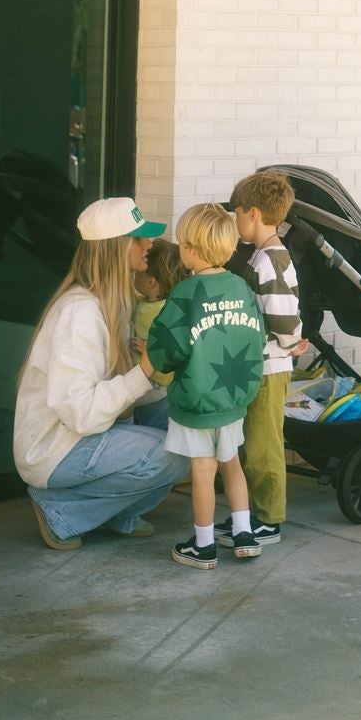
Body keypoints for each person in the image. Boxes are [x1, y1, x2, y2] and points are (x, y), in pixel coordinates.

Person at [13, 197, 181, 552]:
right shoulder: (80, 312)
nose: (148, 245)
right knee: (177, 452)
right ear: (115, 248)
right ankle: (59, 509)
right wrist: (146, 370)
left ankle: (117, 514)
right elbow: (80, 412)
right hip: (57, 448)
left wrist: (174, 387)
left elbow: (121, 390)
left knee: (196, 419)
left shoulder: (116, 300)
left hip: (97, 428)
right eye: (138, 239)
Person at [145, 203, 267, 570]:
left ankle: (203, 545)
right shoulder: (242, 288)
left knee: (202, 469)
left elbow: (166, 345)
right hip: (233, 397)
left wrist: (151, 364)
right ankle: (244, 533)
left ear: (193, 250)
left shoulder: (186, 293)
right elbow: (257, 336)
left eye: (182, 243)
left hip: (197, 401)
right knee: (231, 464)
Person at [223, 168, 301, 548]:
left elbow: (284, 313)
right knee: (252, 441)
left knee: (263, 444)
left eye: (236, 212)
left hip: (270, 365)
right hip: (262, 364)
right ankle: (249, 514)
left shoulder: (269, 259)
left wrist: (291, 342)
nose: (234, 220)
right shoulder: (264, 255)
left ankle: (269, 519)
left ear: (252, 213)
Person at [131, 237, 184, 429]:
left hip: (155, 387)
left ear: (152, 282)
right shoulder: (154, 303)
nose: (134, 277)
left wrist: (153, 349)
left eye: (138, 275)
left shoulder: (163, 311)